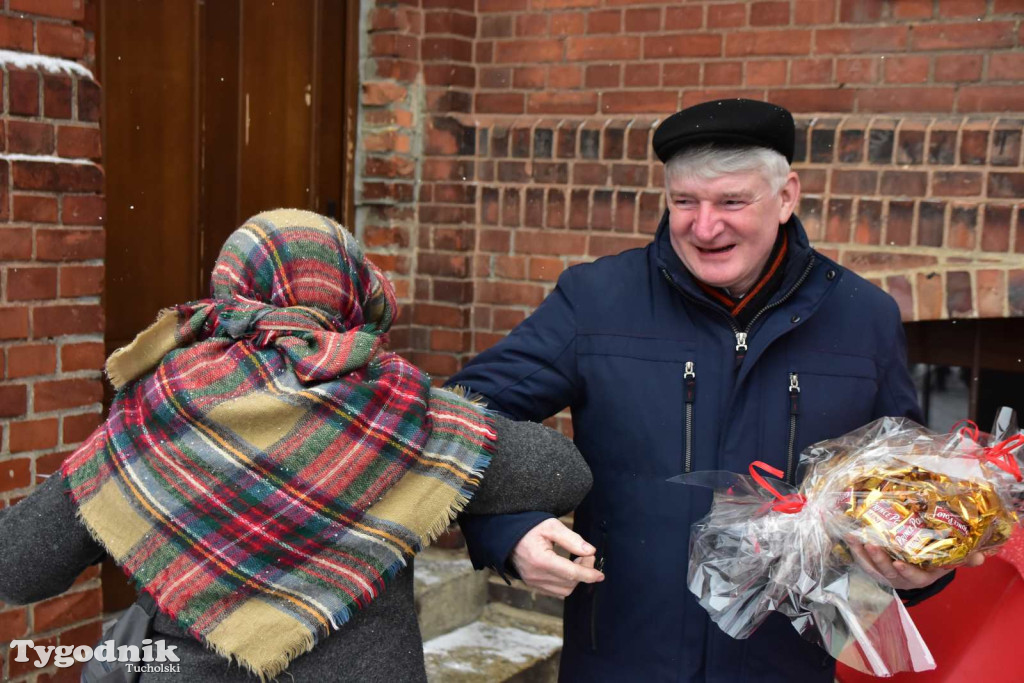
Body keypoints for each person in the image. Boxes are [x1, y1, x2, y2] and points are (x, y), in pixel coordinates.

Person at [452, 99, 981, 682]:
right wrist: (508, 533)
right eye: (685, 202)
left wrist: (915, 562)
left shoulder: (865, 319)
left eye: (732, 201)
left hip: (785, 666)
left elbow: (902, 486)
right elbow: (456, 419)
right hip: (621, 658)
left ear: (786, 197)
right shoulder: (597, 300)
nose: (705, 228)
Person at [0, 209, 594, 682]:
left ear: (230, 288)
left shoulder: (158, 410)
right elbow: (563, 471)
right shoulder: (398, 415)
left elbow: (20, 566)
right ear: (353, 292)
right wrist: (439, 430)